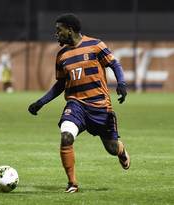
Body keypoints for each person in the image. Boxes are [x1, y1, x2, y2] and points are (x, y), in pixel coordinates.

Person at [28, 13, 130, 193]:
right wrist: (40, 102)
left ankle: (120, 150)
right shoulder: (61, 56)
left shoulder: (96, 45)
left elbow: (115, 65)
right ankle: (72, 183)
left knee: (111, 148)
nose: (56, 34)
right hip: (76, 105)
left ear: (70, 30)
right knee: (66, 136)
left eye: (59, 30)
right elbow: (60, 84)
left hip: (100, 107)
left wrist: (121, 83)